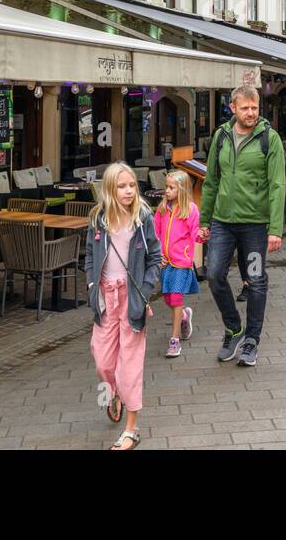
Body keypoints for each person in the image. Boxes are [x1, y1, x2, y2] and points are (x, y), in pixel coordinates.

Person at [199, 85, 285, 367]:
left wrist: (275, 228)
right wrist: (204, 220)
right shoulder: (221, 137)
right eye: (245, 108)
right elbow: (211, 181)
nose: (251, 113)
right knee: (214, 275)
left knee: (256, 280)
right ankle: (233, 327)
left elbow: (277, 185)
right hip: (223, 222)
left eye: (255, 108)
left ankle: (251, 340)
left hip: (255, 226)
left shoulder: (268, 139)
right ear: (233, 108)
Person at [86, 162, 161, 450]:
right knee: (103, 361)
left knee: (129, 364)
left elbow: (155, 258)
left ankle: (131, 429)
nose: (129, 191)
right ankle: (114, 392)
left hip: (132, 299)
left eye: (132, 185)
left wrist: (144, 290)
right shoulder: (97, 219)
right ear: (109, 189)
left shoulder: (143, 218)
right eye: (121, 186)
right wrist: (92, 286)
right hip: (105, 298)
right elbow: (90, 256)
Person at [154, 170, 199, 359]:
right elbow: (155, 234)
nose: (167, 191)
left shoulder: (191, 210)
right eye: (166, 187)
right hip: (165, 262)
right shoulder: (162, 209)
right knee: (168, 298)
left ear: (182, 189)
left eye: (171, 187)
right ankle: (184, 316)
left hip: (181, 262)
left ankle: (174, 341)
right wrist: (157, 254)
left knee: (176, 297)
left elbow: (195, 234)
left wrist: (204, 236)